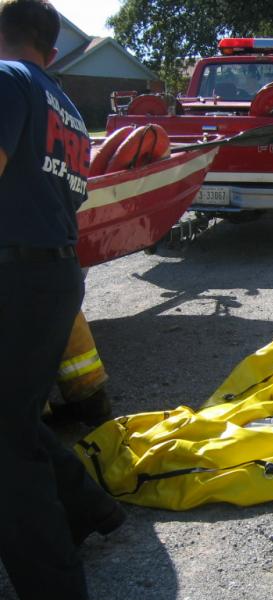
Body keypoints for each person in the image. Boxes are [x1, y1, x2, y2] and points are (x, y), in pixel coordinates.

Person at [0, 2, 125, 598]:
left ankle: (55, 586)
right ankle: (88, 508)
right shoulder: (70, 112)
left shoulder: (5, 80)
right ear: (52, 49)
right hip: (53, 279)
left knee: (3, 444)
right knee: (15, 416)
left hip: (15, 278)